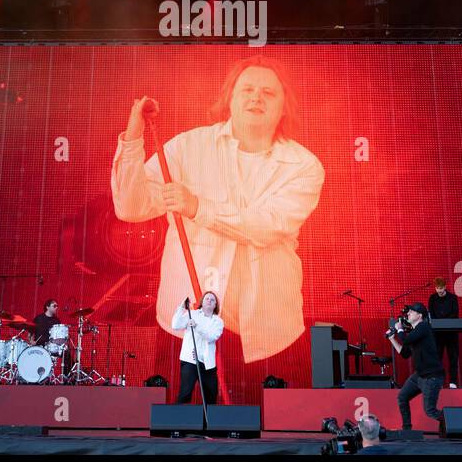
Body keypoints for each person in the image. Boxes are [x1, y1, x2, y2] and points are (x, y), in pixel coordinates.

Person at [111, 57, 325, 364]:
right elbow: (131, 207)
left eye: (268, 92)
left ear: (284, 105)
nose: (256, 97)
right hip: (186, 325)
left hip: (269, 333)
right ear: (231, 98)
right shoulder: (188, 147)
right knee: (181, 412)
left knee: (272, 413)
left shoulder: (304, 166)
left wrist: (197, 207)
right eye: (247, 89)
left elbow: (265, 227)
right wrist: (133, 137)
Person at [387, 302, 444, 430]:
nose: (408, 314)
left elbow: (406, 340)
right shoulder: (415, 333)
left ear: (419, 315)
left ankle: (454, 421)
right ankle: (407, 429)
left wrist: (400, 328)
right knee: (402, 397)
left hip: (431, 376)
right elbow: (404, 353)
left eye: (411, 312)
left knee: (430, 411)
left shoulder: (424, 327)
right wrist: (392, 339)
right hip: (419, 375)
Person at [172, 292, 224, 405]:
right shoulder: (193, 314)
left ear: (215, 305)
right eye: (207, 298)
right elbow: (175, 325)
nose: (209, 300)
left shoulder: (218, 322)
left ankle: (207, 422)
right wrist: (181, 307)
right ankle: (179, 420)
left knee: (211, 395)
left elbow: (211, 336)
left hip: (207, 364)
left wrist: (197, 327)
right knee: (185, 392)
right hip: (190, 360)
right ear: (202, 302)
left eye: (212, 299)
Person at [428, 277, 460, 387]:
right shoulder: (432, 298)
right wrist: (438, 323)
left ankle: (453, 382)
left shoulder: (452, 298)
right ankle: (439, 382)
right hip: (438, 333)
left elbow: (455, 313)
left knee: (453, 357)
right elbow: (431, 313)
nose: (439, 290)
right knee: (437, 358)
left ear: (445, 287)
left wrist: (445, 321)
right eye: (437, 288)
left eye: (441, 288)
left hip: (451, 333)